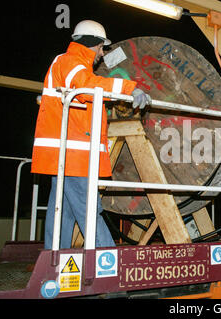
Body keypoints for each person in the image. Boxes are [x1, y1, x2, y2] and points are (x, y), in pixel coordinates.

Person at [32, 20, 150, 249]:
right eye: (101, 48)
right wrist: (128, 89)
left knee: (62, 213)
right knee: (88, 209)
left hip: (67, 155)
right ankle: (108, 266)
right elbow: (86, 86)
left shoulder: (71, 64)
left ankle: (53, 261)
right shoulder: (70, 62)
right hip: (73, 156)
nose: (102, 54)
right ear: (93, 44)